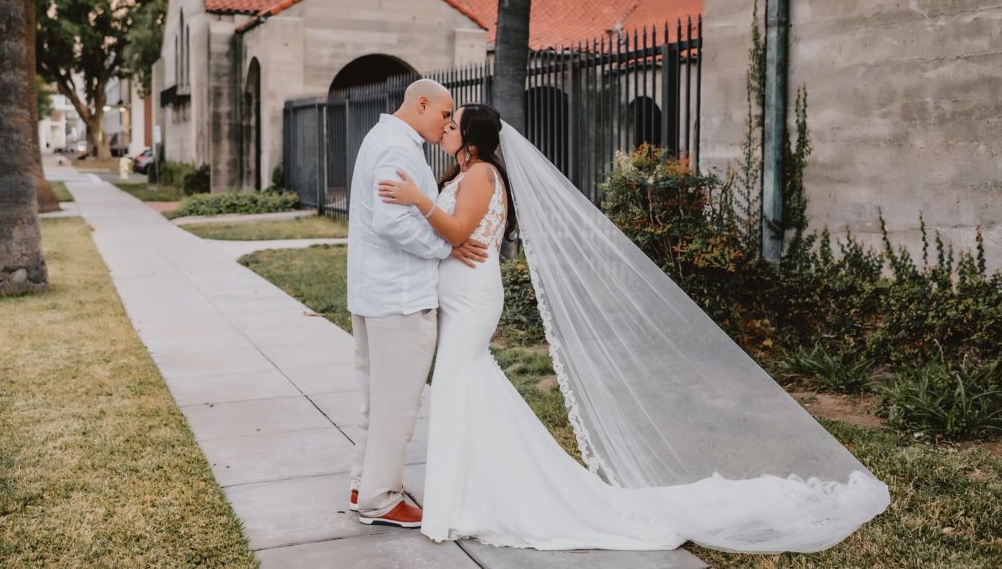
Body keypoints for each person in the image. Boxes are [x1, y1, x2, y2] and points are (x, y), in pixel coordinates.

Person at [378, 103, 890, 553]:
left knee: (460, 384)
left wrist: (417, 200)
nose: (446, 128)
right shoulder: (465, 174)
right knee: (466, 389)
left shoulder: (480, 175)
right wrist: (440, 230)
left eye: (454, 124)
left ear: (471, 139)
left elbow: (458, 230)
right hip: (462, 296)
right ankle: (469, 494)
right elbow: (454, 236)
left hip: (471, 300)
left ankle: (473, 499)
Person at [345, 79, 486, 528]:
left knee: (376, 399)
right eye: (444, 114)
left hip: (376, 292)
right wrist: (446, 247)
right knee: (397, 404)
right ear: (421, 103)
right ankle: (381, 499)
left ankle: (362, 483)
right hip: (399, 297)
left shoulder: (383, 138)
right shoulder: (396, 147)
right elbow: (393, 224)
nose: (447, 124)